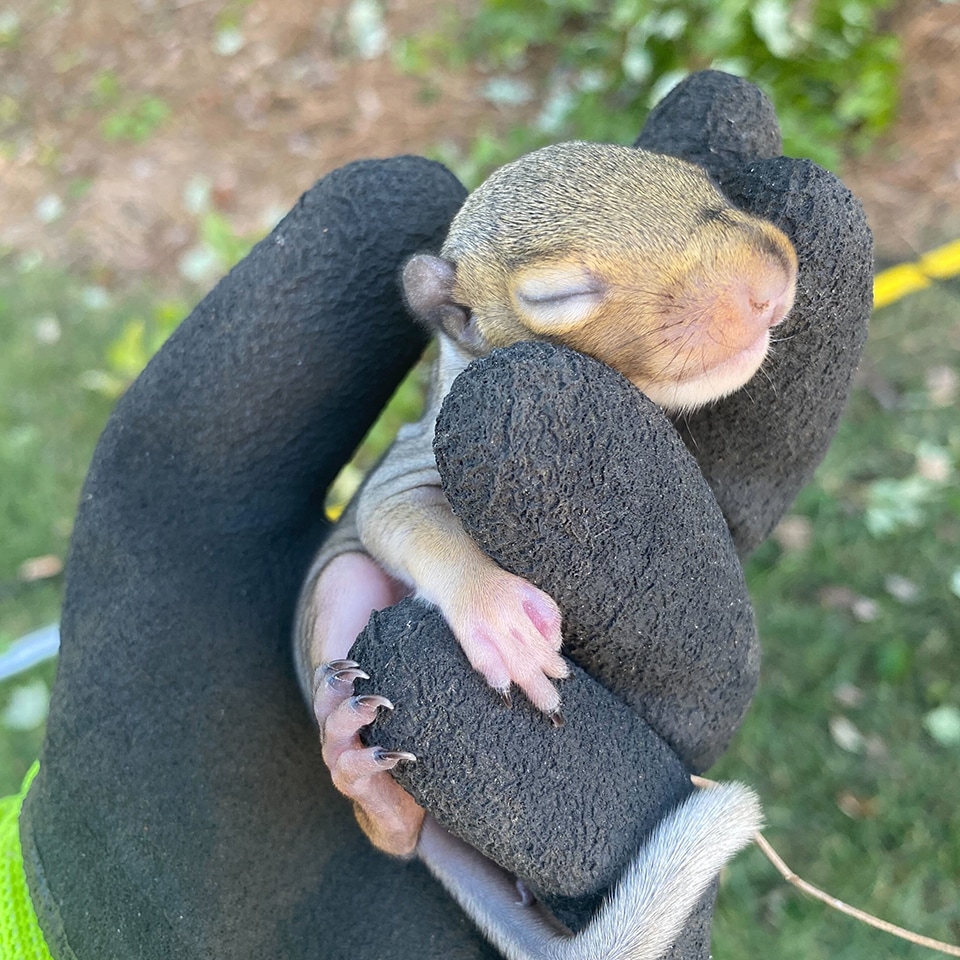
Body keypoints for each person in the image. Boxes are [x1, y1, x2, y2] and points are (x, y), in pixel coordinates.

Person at [4, 70, 872, 960]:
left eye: (707, 213)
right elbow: (389, 513)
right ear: (461, 314)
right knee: (346, 581)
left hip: (529, 699)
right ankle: (376, 793)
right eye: (566, 295)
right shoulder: (471, 401)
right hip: (395, 632)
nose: (757, 290)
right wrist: (469, 585)